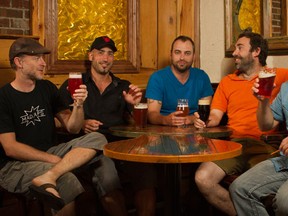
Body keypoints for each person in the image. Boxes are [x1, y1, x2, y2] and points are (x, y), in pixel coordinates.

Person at [0, 37, 127, 216]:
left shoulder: (47, 88)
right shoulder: (4, 97)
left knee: (98, 138)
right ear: (19, 62)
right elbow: (10, 148)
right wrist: (54, 161)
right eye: (37, 58)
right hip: (15, 166)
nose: (43, 63)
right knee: (66, 179)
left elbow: (73, 128)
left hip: (51, 153)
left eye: (43, 58)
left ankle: (50, 175)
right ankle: (54, 174)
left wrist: (79, 104)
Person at [59, 36, 157, 216]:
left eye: (110, 54)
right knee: (108, 175)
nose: (105, 58)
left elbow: (139, 125)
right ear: (91, 56)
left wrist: (135, 104)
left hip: (122, 146)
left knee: (145, 172)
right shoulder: (75, 84)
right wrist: (82, 124)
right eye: (100, 53)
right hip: (91, 150)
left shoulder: (124, 86)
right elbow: (60, 119)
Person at [193, 29, 288, 215]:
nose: (234, 53)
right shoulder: (227, 82)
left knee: (263, 193)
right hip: (234, 145)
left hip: (267, 146)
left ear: (256, 52)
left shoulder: (280, 75)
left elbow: (267, 127)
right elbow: (215, 117)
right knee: (203, 178)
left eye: (239, 47)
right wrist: (203, 121)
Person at [229, 77, 288, 215]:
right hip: (285, 160)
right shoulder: (286, 88)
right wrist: (263, 101)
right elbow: (265, 125)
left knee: (284, 202)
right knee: (240, 188)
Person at [145, 35, 213, 127]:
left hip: (195, 130)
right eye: (177, 52)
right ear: (171, 54)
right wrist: (166, 120)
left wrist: (191, 119)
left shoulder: (202, 77)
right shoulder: (157, 78)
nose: (182, 57)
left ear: (194, 56)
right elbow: (151, 114)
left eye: (187, 53)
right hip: (164, 131)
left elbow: (207, 112)